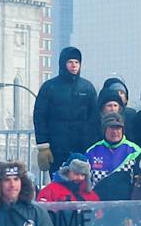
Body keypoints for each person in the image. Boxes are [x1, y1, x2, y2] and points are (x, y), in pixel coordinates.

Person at [33, 46, 99, 176]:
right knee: (59, 181)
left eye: (77, 62)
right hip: (56, 148)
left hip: (82, 147)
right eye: (70, 62)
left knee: (81, 182)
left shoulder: (87, 88)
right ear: (63, 63)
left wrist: (92, 144)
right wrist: (43, 146)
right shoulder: (49, 87)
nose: (74, 65)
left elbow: (94, 118)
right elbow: (40, 117)